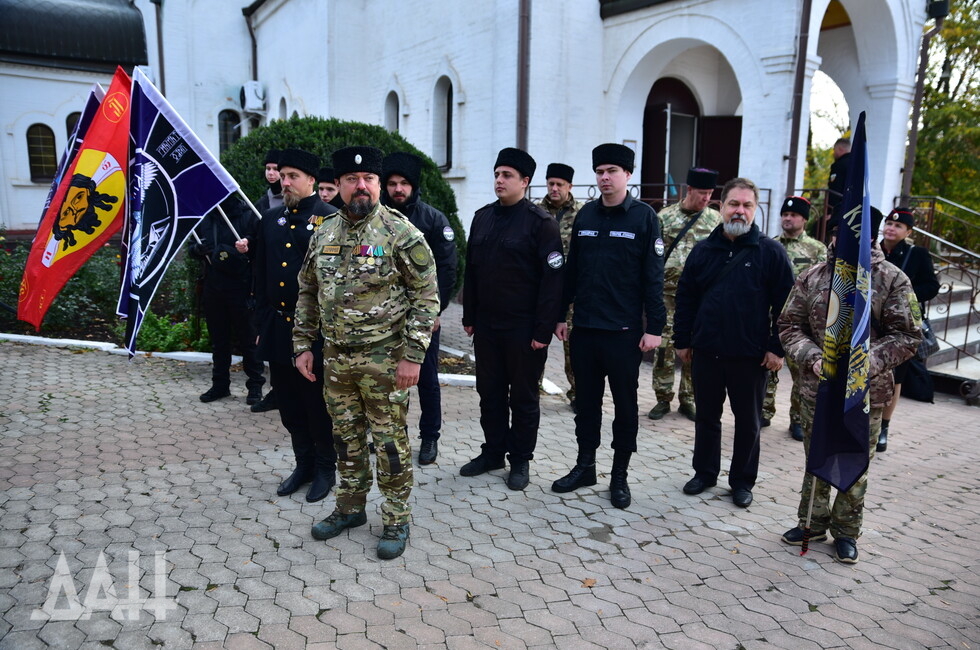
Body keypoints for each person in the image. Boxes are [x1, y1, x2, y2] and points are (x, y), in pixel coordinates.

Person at [295, 146, 439, 560]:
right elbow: (308, 292)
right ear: (337, 186)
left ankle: (396, 518)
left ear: (377, 184)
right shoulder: (322, 232)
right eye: (353, 180)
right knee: (345, 438)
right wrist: (303, 345)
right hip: (337, 359)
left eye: (369, 180)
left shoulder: (400, 232)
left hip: (385, 360)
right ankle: (349, 507)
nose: (362, 186)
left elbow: (426, 296)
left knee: (390, 442)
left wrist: (413, 355)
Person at [778, 210, 920, 563]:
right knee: (818, 456)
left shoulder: (891, 279)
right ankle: (810, 522)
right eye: (842, 231)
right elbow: (788, 325)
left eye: (857, 232)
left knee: (854, 460)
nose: (848, 238)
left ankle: (846, 531)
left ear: (870, 236)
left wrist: (865, 363)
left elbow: (907, 335)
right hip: (818, 388)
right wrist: (811, 356)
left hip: (866, 391)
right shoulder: (813, 276)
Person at [552, 143, 666, 509]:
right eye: (600, 171)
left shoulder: (645, 218)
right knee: (586, 405)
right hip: (584, 328)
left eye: (612, 171)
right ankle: (585, 466)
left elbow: (653, 277)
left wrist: (655, 328)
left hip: (623, 333)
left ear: (627, 175)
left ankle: (619, 475)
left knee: (625, 406)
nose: (604, 177)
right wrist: (560, 314)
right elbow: (572, 273)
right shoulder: (585, 216)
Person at [674, 177, 794, 508]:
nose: (739, 211)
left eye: (747, 205)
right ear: (721, 207)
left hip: (751, 356)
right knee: (707, 417)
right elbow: (686, 298)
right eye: (733, 204)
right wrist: (682, 340)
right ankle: (705, 473)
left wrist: (777, 347)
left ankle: (741, 482)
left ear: (755, 211)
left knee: (748, 422)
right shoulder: (703, 250)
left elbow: (787, 306)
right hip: (707, 351)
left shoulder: (771, 252)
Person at [236, 148, 337, 503]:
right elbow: (260, 275)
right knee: (290, 405)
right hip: (280, 329)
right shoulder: (271, 219)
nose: (286, 181)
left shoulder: (332, 219)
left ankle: (326, 467)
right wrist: (262, 322)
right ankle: (303, 464)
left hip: (317, 333)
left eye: (293, 176)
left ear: (312, 180)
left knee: (317, 405)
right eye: (283, 175)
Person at [461, 147, 563, 491]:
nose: (499, 180)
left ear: (525, 181)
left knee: (522, 397)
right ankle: (493, 452)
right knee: (489, 393)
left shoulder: (541, 223)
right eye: (496, 174)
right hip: (488, 326)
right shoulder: (482, 217)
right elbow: (471, 271)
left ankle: (520, 460)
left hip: (524, 329)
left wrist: (542, 330)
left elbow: (553, 281)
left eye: (507, 175)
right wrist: (469, 315)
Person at [381, 151, 458, 465]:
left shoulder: (433, 219)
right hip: (383, 318)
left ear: (413, 186)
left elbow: (449, 268)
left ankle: (430, 438)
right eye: (393, 183)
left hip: (422, 318)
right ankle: (387, 438)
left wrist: (436, 311)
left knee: (426, 380)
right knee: (384, 381)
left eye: (404, 184)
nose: (398, 189)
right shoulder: (377, 219)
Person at [647, 167, 721, 422]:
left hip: (700, 298)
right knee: (664, 347)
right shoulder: (665, 218)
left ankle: (688, 398)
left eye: (710, 193)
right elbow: (652, 257)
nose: (706, 198)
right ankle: (662, 397)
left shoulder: (715, 221)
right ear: (689, 190)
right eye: (702, 192)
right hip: (667, 295)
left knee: (694, 347)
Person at [189, 195, 265, 405]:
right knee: (219, 340)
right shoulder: (206, 218)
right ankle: (220, 385)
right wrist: (197, 250)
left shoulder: (248, 216)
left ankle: (256, 385)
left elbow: (260, 247)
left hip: (241, 286)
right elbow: (192, 245)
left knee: (248, 339)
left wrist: (248, 246)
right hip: (213, 286)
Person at [762, 196, 827, 439]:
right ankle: (764, 411)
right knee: (767, 366)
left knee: (802, 372)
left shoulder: (817, 249)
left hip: (803, 322)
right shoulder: (770, 245)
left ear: (805, 220)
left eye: (794, 215)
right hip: (773, 316)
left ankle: (798, 419)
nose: (788, 218)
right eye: (785, 215)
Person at [879, 208, 940, 452]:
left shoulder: (917, 255)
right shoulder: (873, 250)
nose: (891, 228)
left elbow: (931, 286)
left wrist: (908, 297)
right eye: (888, 224)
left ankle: (883, 426)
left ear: (908, 232)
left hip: (901, 325)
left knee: (896, 377)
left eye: (898, 226)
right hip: (872, 323)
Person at [536, 162, 584, 411]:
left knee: (573, 348)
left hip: (571, 291)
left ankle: (577, 392)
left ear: (569, 186)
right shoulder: (534, 210)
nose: (554, 188)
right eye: (550, 183)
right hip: (541, 289)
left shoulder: (583, 213)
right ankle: (532, 386)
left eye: (559, 185)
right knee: (535, 342)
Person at [251, 148, 283, 414]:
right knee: (272, 344)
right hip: (271, 283)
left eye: (277, 169)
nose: (273, 174)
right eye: (269, 169)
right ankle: (275, 391)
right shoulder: (263, 204)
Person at [827, 137, 851, 218]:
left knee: (816, 227)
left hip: (838, 210)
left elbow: (835, 188)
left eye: (834, 150)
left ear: (840, 149)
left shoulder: (839, 165)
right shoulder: (856, 164)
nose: (834, 153)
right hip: (851, 208)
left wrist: (830, 212)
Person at [254, 148, 284, 214]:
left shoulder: (297, 199)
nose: (270, 173)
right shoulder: (260, 204)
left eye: (275, 169)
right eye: (268, 168)